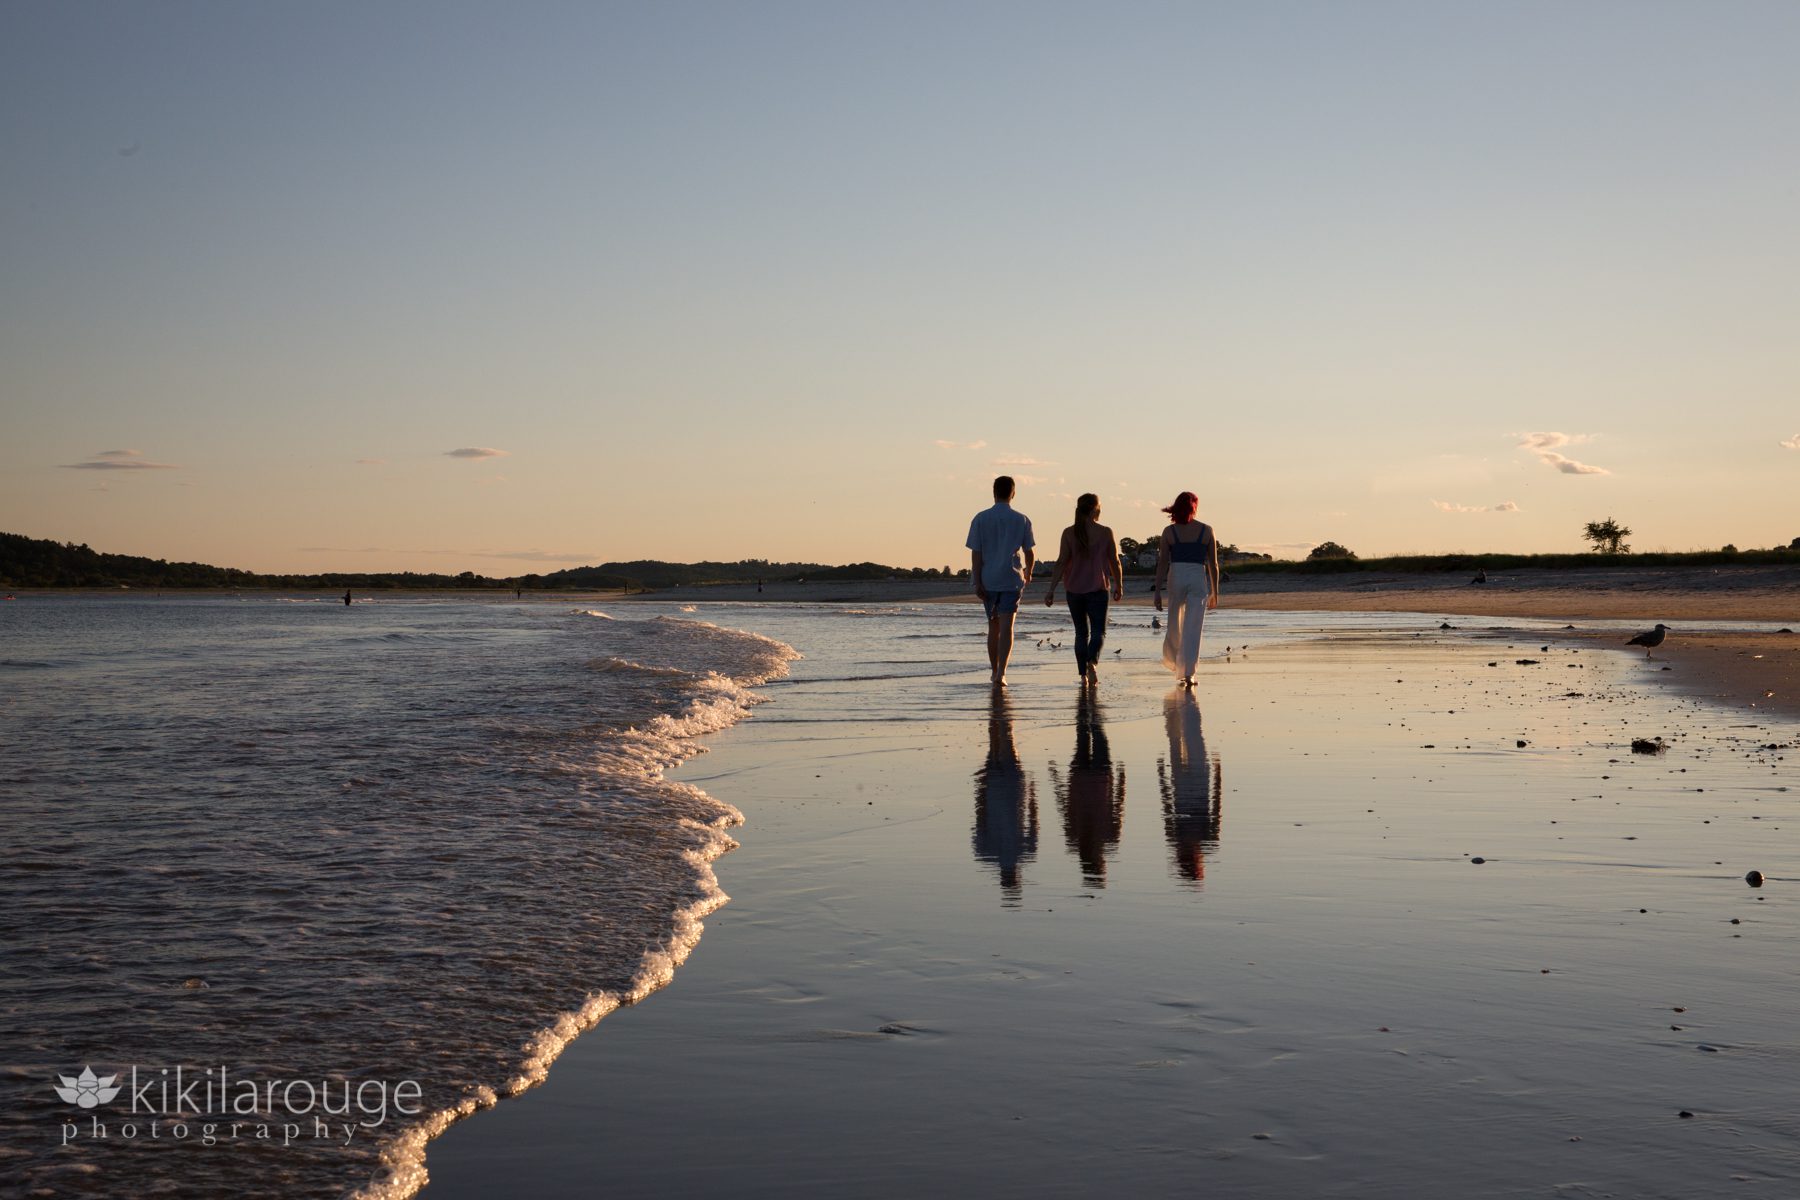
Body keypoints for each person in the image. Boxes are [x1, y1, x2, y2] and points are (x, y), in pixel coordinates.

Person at [1042, 493, 1123, 685]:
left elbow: (1061, 562)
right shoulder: (1105, 532)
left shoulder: (1069, 533)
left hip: (1074, 589)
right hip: (1098, 589)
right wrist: (1119, 584)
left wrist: (1051, 589)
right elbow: (1115, 561)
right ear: (1096, 509)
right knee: (1098, 632)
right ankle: (1091, 662)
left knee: (1080, 633)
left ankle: (1083, 675)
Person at [966, 475, 1035, 686]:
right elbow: (1029, 551)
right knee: (1007, 627)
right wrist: (1028, 572)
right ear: (1012, 493)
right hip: (1011, 578)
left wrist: (977, 581)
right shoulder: (1021, 519)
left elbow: (976, 554)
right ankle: (1001, 673)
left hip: (988, 579)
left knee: (993, 627)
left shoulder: (980, 518)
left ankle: (994, 670)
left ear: (994, 492)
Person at [1152, 491, 1219, 687]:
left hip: (1177, 575)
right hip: (1198, 576)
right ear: (1194, 507)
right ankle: (1189, 672)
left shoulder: (1169, 532)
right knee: (1193, 626)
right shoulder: (1207, 530)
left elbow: (1162, 563)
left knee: (1175, 621)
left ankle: (1175, 663)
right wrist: (1215, 591)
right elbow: (1213, 564)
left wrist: (1157, 591)